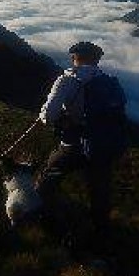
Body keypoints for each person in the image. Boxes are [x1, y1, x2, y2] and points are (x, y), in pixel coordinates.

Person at [35, 41, 127, 233]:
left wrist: (47, 116)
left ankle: (44, 221)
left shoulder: (67, 80)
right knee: (99, 192)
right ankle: (101, 233)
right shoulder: (109, 81)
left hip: (72, 146)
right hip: (103, 146)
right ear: (97, 59)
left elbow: (48, 116)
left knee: (46, 179)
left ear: (74, 57)